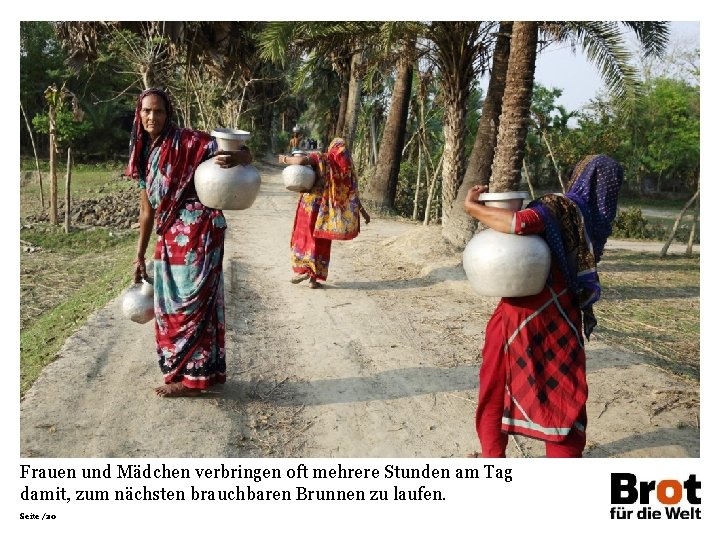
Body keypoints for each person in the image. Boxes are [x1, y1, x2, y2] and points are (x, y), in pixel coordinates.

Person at [463, 155, 624, 457]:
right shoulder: (597, 222)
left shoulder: (561, 207)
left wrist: (473, 208)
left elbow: (519, 223)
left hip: (520, 317)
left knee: (496, 389)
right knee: (565, 394)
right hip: (564, 318)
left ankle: (492, 458)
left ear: (579, 176)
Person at [124, 88, 252, 398]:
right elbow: (146, 210)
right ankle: (185, 372)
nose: (152, 117)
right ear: (138, 115)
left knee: (195, 304)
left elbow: (243, 154)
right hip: (168, 236)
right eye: (147, 111)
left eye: (159, 111)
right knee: (169, 306)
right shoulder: (142, 151)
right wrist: (140, 255)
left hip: (201, 233)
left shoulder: (189, 142)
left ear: (168, 115)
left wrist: (238, 157)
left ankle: (195, 380)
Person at [279, 137, 370, 289]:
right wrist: (363, 212)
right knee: (322, 240)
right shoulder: (346, 171)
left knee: (304, 236)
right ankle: (314, 279)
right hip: (328, 213)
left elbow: (301, 162)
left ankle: (304, 268)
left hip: (310, 206)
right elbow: (352, 195)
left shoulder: (323, 158)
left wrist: (284, 159)